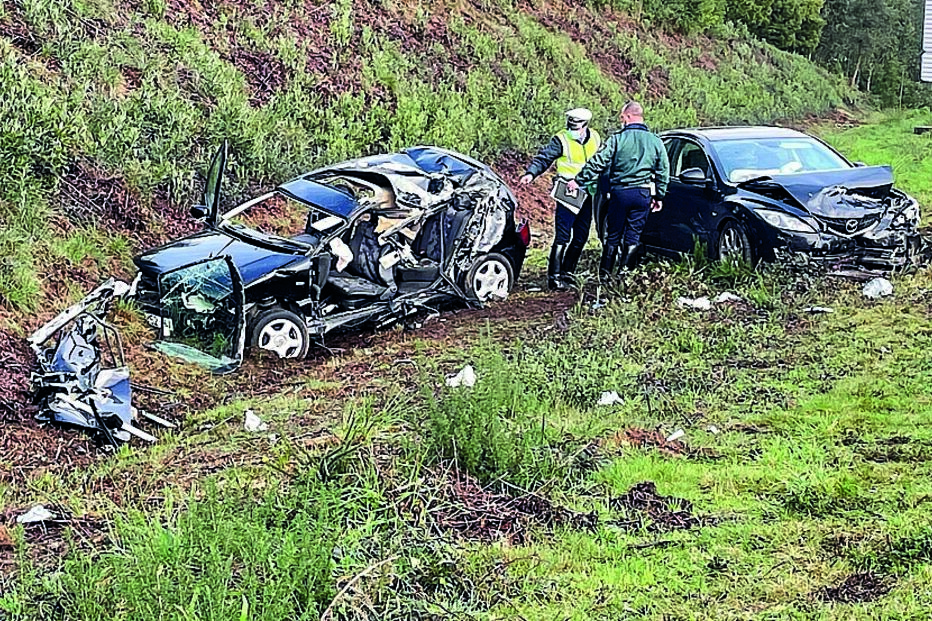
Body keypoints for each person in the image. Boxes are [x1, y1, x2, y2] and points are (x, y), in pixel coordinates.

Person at [568, 101, 669, 280]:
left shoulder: (617, 139)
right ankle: (625, 275)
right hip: (643, 193)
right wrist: (659, 196)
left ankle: (605, 275)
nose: (621, 120)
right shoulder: (655, 141)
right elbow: (663, 170)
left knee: (613, 234)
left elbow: (599, 161)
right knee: (633, 236)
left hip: (621, 193)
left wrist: (579, 180)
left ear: (629, 116)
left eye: (622, 117)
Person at [520, 108, 602, 290]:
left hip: (588, 192)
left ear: (585, 125)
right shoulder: (561, 139)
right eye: (571, 126)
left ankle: (568, 273)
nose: (573, 130)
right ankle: (554, 277)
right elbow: (544, 158)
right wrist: (531, 173)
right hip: (567, 192)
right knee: (563, 235)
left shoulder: (595, 138)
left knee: (581, 236)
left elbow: (602, 160)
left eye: (576, 127)